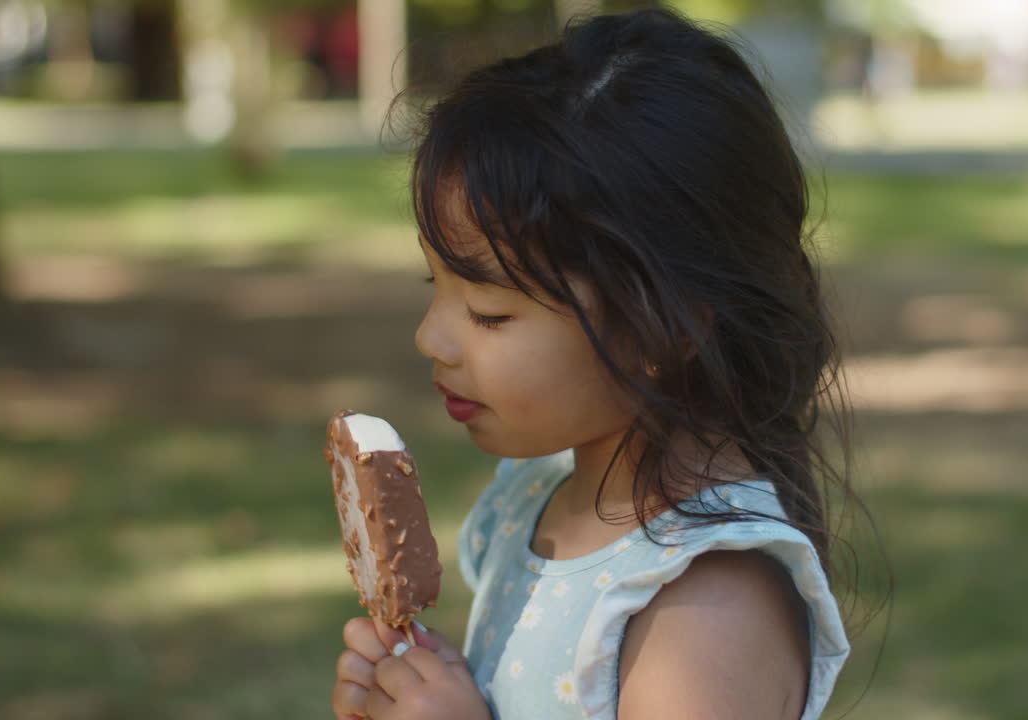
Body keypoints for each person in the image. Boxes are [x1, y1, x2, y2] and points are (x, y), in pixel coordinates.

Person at [335, 7, 869, 720]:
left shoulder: (705, 608)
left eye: (490, 312)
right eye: (439, 288)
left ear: (665, 327)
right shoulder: (541, 496)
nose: (432, 338)